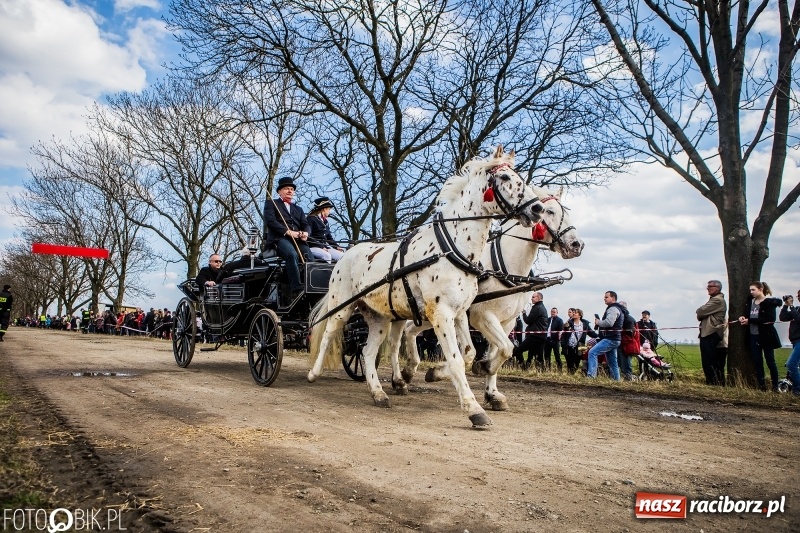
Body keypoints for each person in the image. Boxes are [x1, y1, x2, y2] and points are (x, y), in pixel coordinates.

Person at [263, 177, 312, 297]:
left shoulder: (298, 209)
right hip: (280, 238)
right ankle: (296, 288)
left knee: (309, 256)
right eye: (286, 188)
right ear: (279, 191)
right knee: (291, 254)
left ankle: (312, 285)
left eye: (292, 189)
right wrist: (288, 232)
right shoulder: (271, 203)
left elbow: (306, 224)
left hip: (298, 239)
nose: (290, 191)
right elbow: (270, 221)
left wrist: (306, 233)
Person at [738, 281, 783, 392]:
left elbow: (769, 319)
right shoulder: (750, 301)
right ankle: (761, 387)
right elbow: (748, 315)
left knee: (770, 361)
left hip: (766, 336)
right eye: (750, 290)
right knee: (758, 362)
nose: (751, 292)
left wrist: (750, 320)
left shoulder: (769, 303)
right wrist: (743, 318)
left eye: (753, 289)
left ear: (761, 289)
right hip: (753, 336)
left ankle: (775, 387)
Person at [696, 280, 728, 385]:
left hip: (710, 333)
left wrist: (702, 313)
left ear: (717, 288)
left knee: (709, 360)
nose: (707, 288)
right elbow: (700, 314)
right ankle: (715, 382)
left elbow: (700, 312)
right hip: (709, 333)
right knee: (711, 360)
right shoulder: (714, 300)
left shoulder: (717, 300)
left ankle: (712, 382)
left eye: (710, 286)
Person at [586, 291, 623, 381]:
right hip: (615, 338)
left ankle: (591, 377)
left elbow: (609, 323)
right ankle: (616, 380)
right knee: (612, 362)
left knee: (592, 352)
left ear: (613, 298)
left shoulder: (613, 309)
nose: (604, 299)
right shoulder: (617, 308)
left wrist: (598, 322)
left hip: (610, 338)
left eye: (606, 297)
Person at [512, 292, 548, 370]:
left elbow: (528, 321)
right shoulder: (542, 307)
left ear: (539, 298)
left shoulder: (537, 307)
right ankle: (541, 370)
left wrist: (524, 313)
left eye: (533, 297)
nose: (531, 299)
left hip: (535, 336)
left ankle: (522, 366)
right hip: (542, 336)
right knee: (539, 355)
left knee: (518, 350)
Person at [307, 196, 345, 263]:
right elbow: (309, 236)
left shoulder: (325, 222)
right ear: (324, 209)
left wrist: (336, 247)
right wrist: (321, 246)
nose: (329, 212)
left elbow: (329, 237)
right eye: (329, 209)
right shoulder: (311, 219)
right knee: (327, 256)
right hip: (313, 247)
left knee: (342, 256)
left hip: (324, 247)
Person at [561, 308, 597, 373]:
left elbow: (591, 333)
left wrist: (600, 336)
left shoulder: (585, 324)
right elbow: (563, 334)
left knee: (577, 362)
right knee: (570, 363)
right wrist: (563, 344)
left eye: (576, 312)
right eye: (573, 312)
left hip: (581, 345)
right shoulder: (568, 323)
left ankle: (573, 374)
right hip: (569, 345)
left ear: (580, 315)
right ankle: (570, 375)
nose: (574, 313)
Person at [779, 291, 800, 396]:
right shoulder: (797, 309)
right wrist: (785, 305)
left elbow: (798, 319)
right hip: (795, 341)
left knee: (791, 364)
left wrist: (791, 306)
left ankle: (798, 389)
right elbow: (782, 318)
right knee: (795, 365)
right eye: (798, 295)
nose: (798, 297)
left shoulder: (795, 309)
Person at [618, 302, 640, 381]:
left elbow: (629, 335)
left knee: (626, 363)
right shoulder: (624, 318)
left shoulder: (628, 319)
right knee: (621, 363)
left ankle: (629, 378)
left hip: (627, 345)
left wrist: (619, 339)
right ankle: (625, 377)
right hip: (623, 344)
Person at [543, 307, 564, 371]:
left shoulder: (559, 320)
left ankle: (559, 370)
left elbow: (561, 331)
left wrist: (558, 339)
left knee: (557, 356)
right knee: (546, 355)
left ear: (557, 313)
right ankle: (547, 369)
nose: (552, 313)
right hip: (547, 340)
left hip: (555, 341)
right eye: (552, 312)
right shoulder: (548, 319)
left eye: (554, 312)